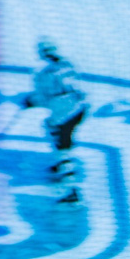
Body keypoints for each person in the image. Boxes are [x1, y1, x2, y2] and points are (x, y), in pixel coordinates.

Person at [24, 39, 87, 204]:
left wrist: (30, 101)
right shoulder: (68, 64)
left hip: (63, 113)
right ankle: (63, 163)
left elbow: (43, 98)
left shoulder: (41, 72)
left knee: (61, 144)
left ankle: (70, 188)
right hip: (80, 108)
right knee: (50, 126)